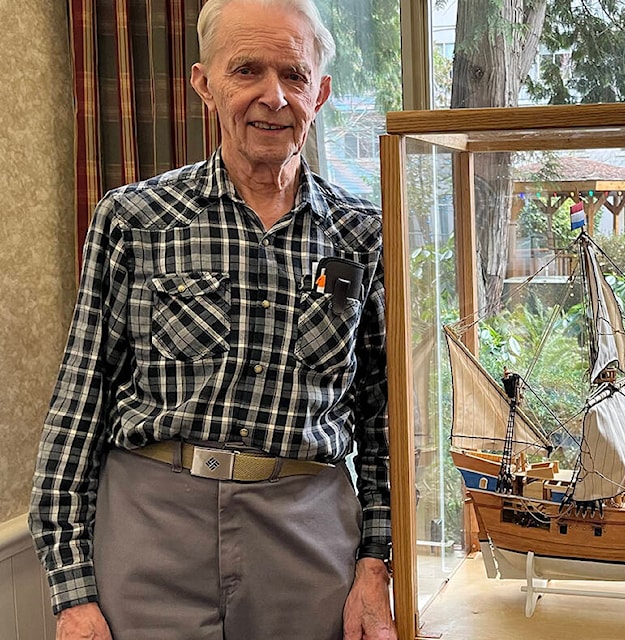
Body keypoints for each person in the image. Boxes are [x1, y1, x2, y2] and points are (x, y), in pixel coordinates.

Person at [28, 0, 396, 638]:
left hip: (309, 542)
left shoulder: (362, 236)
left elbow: (382, 418)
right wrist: (71, 592)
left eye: (295, 75)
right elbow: (78, 406)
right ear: (204, 83)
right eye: (247, 70)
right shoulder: (134, 221)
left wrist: (376, 562)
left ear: (323, 91)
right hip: (151, 537)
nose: (273, 97)